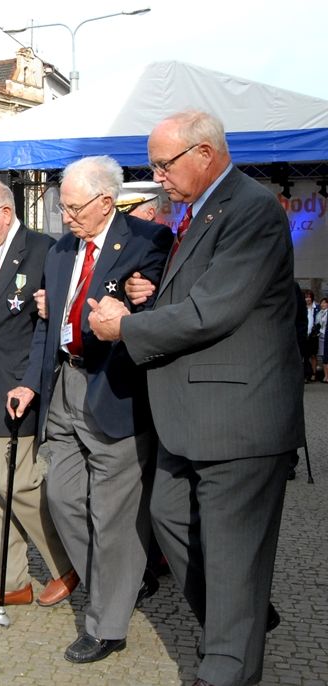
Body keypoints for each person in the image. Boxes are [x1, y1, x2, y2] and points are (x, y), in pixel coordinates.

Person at [88, 110, 303, 686]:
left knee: (233, 555)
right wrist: (148, 302)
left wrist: (123, 329)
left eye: (164, 164)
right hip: (192, 417)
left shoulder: (252, 208)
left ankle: (226, 665)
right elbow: (201, 298)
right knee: (168, 516)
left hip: (239, 419)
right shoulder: (202, 210)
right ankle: (241, 621)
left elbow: (216, 310)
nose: (157, 176)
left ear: (204, 153)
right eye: (154, 165)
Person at [8, 155, 172, 665]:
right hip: (65, 384)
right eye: (63, 207)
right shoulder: (61, 251)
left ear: (106, 202)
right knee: (60, 498)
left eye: (75, 207)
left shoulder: (149, 244)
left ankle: (106, 625)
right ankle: (124, 579)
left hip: (115, 391)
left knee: (114, 514)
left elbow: (168, 312)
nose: (67, 216)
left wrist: (144, 300)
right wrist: (32, 385)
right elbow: (45, 324)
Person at [0, 180, 76, 611]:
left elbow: (48, 330)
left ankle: (67, 562)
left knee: (20, 484)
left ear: (6, 213)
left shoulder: (46, 251)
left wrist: (32, 383)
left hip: (19, 389)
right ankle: (10, 580)